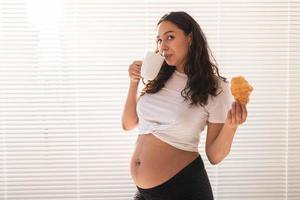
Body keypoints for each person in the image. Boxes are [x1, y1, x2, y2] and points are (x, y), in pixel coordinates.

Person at [122, 11, 248, 200]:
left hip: (183, 189)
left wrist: (231, 126)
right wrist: (133, 82)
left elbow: (214, 156)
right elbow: (129, 123)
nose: (163, 46)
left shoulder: (214, 87)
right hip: (144, 193)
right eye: (159, 40)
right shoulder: (158, 77)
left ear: (190, 38)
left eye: (170, 37)